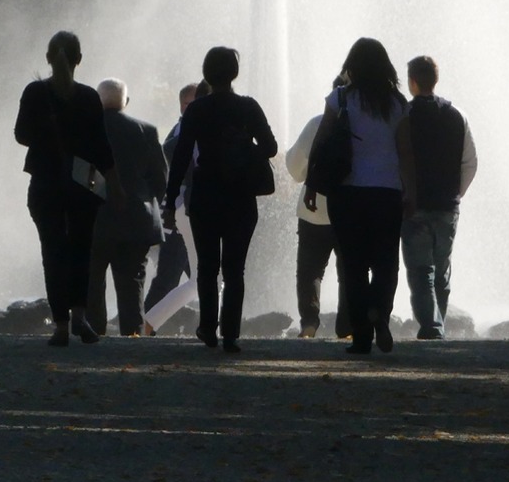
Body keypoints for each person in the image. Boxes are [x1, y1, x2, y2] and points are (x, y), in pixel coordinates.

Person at [162, 48, 277, 354]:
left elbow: (181, 156)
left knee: (207, 267)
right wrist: (243, 147)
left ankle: (207, 328)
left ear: (207, 73)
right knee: (235, 269)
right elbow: (270, 147)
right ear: (234, 73)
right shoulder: (248, 107)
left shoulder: (198, 110)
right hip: (240, 197)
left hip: (205, 195)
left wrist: (171, 201)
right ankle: (231, 334)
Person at [14, 31, 124, 347]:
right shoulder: (90, 97)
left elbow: (22, 135)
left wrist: (47, 130)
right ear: (79, 59)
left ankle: (60, 326)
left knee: (53, 251)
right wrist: (116, 187)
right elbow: (102, 148)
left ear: (49, 58)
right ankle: (80, 317)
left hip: (45, 182)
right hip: (83, 183)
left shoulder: (35, 93)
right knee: (80, 250)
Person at [305, 38, 414, 355]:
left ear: (351, 65)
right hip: (387, 192)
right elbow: (405, 152)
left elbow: (321, 143)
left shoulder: (340, 99)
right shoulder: (397, 104)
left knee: (351, 265)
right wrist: (412, 192)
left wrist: (312, 186)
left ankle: (363, 335)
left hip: (347, 193)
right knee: (385, 263)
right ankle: (380, 315)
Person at [401, 56, 478, 340]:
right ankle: (437, 323)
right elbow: (470, 163)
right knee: (441, 269)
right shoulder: (458, 115)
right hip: (447, 206)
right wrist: (455, 194)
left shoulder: (403, 116)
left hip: (414, 205)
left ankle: (432, 326)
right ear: (436, 79)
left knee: (421, 270)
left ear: (412, 82)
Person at [87, 78, 167, 336]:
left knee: (92, 280)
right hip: (135, 220)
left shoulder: (84, 131)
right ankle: (132, 336)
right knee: (132, 282)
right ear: (126, 103)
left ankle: (94, 332)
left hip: (94, 220)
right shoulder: (146, 130)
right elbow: (161, 180)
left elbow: (77, 177)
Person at [285, 76, 351, 339]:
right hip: (350, 209)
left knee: (310, 270)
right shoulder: (363, 126)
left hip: (314, 210)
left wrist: (304, 175)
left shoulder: (316, 124)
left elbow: (294, 165)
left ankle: (309, 324)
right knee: (349, 270)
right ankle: (347, 327)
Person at [142, 82, 198, 330]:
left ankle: (145, 323)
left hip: (180, 213)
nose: (193, 108)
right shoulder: (180, 132)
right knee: (171, 275)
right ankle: (144, 323)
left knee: (198, 276)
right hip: (179, 214)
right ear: (181, 105)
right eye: (188, 104)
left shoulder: (184, 129)